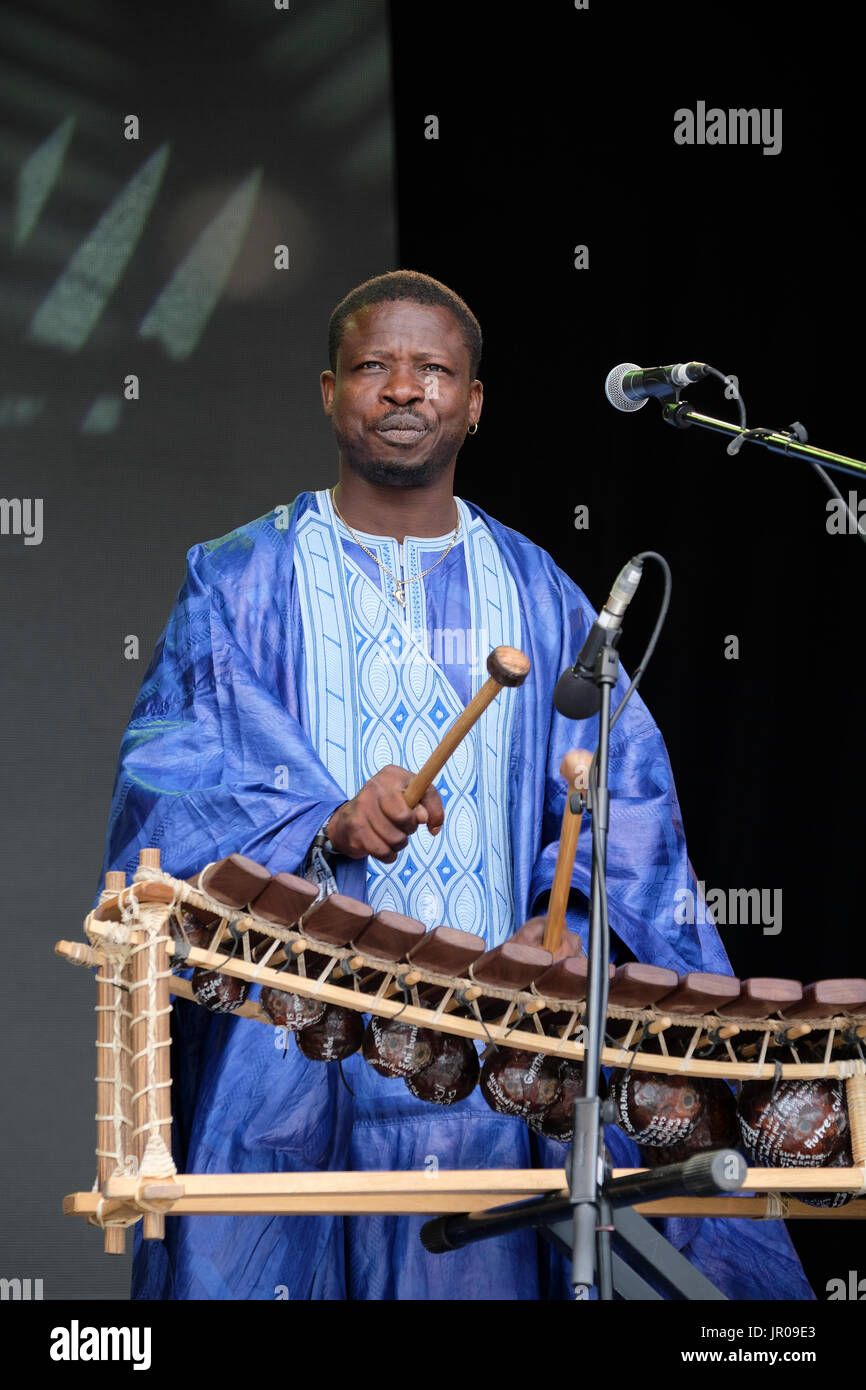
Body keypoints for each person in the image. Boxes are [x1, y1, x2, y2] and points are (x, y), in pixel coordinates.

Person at [99, 270, 812, 1300]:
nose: (401, 388)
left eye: (432, 369)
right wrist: (326, 820)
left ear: (472, 402)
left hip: (488, 1073)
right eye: (371, 366)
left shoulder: (539, 595)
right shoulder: (240, 578)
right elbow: (164, 794)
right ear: (328, 391)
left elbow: (624, 826)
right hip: (293, 1062)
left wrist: (560, 915)